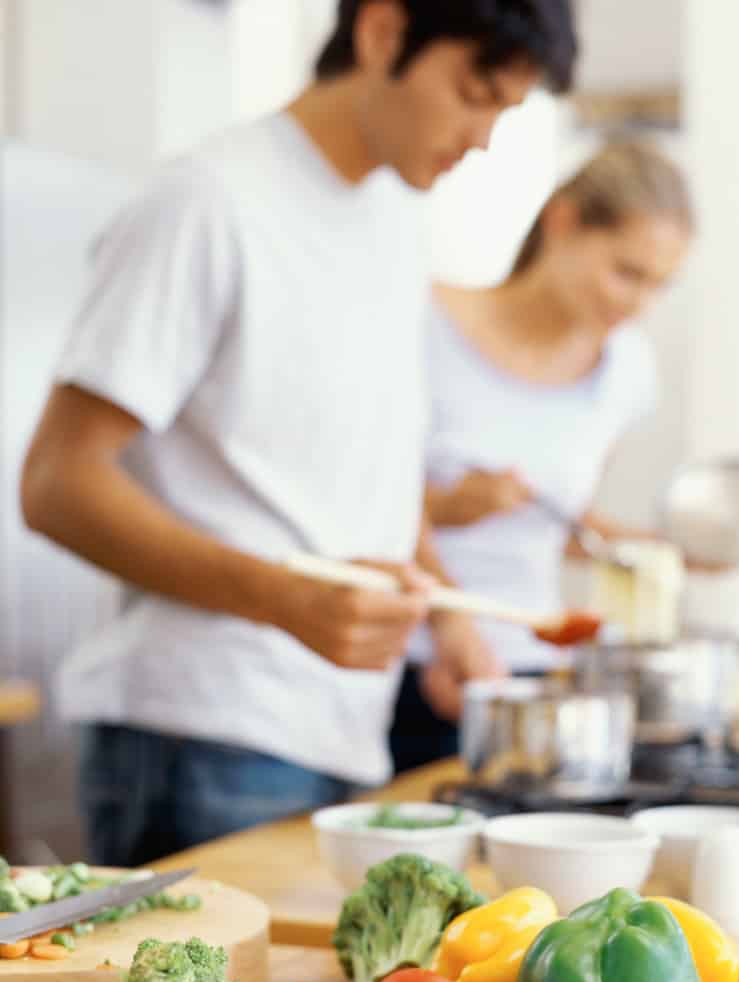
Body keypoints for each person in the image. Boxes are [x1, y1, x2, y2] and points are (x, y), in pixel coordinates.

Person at [19, 0, 578, 866]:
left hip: (337, 732)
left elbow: (369, 474)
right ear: (384, 32)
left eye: (506, 110)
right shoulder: (207, 202)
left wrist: (448, 619)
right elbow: (57, 482)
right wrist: (285, 599)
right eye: (475, 93)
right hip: (200, 736)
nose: (483, 137)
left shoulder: (394, 215)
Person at [389, 139, 693, 772]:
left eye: (659, 286)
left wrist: (669, 551)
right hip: (414, 666)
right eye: (626, 271)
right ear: (562, 221)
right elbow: (357, 495)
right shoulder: (418, 323)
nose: (637, 304)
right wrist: (446, 513)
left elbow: (564, 524)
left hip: (534, 671)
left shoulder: (627, 370)